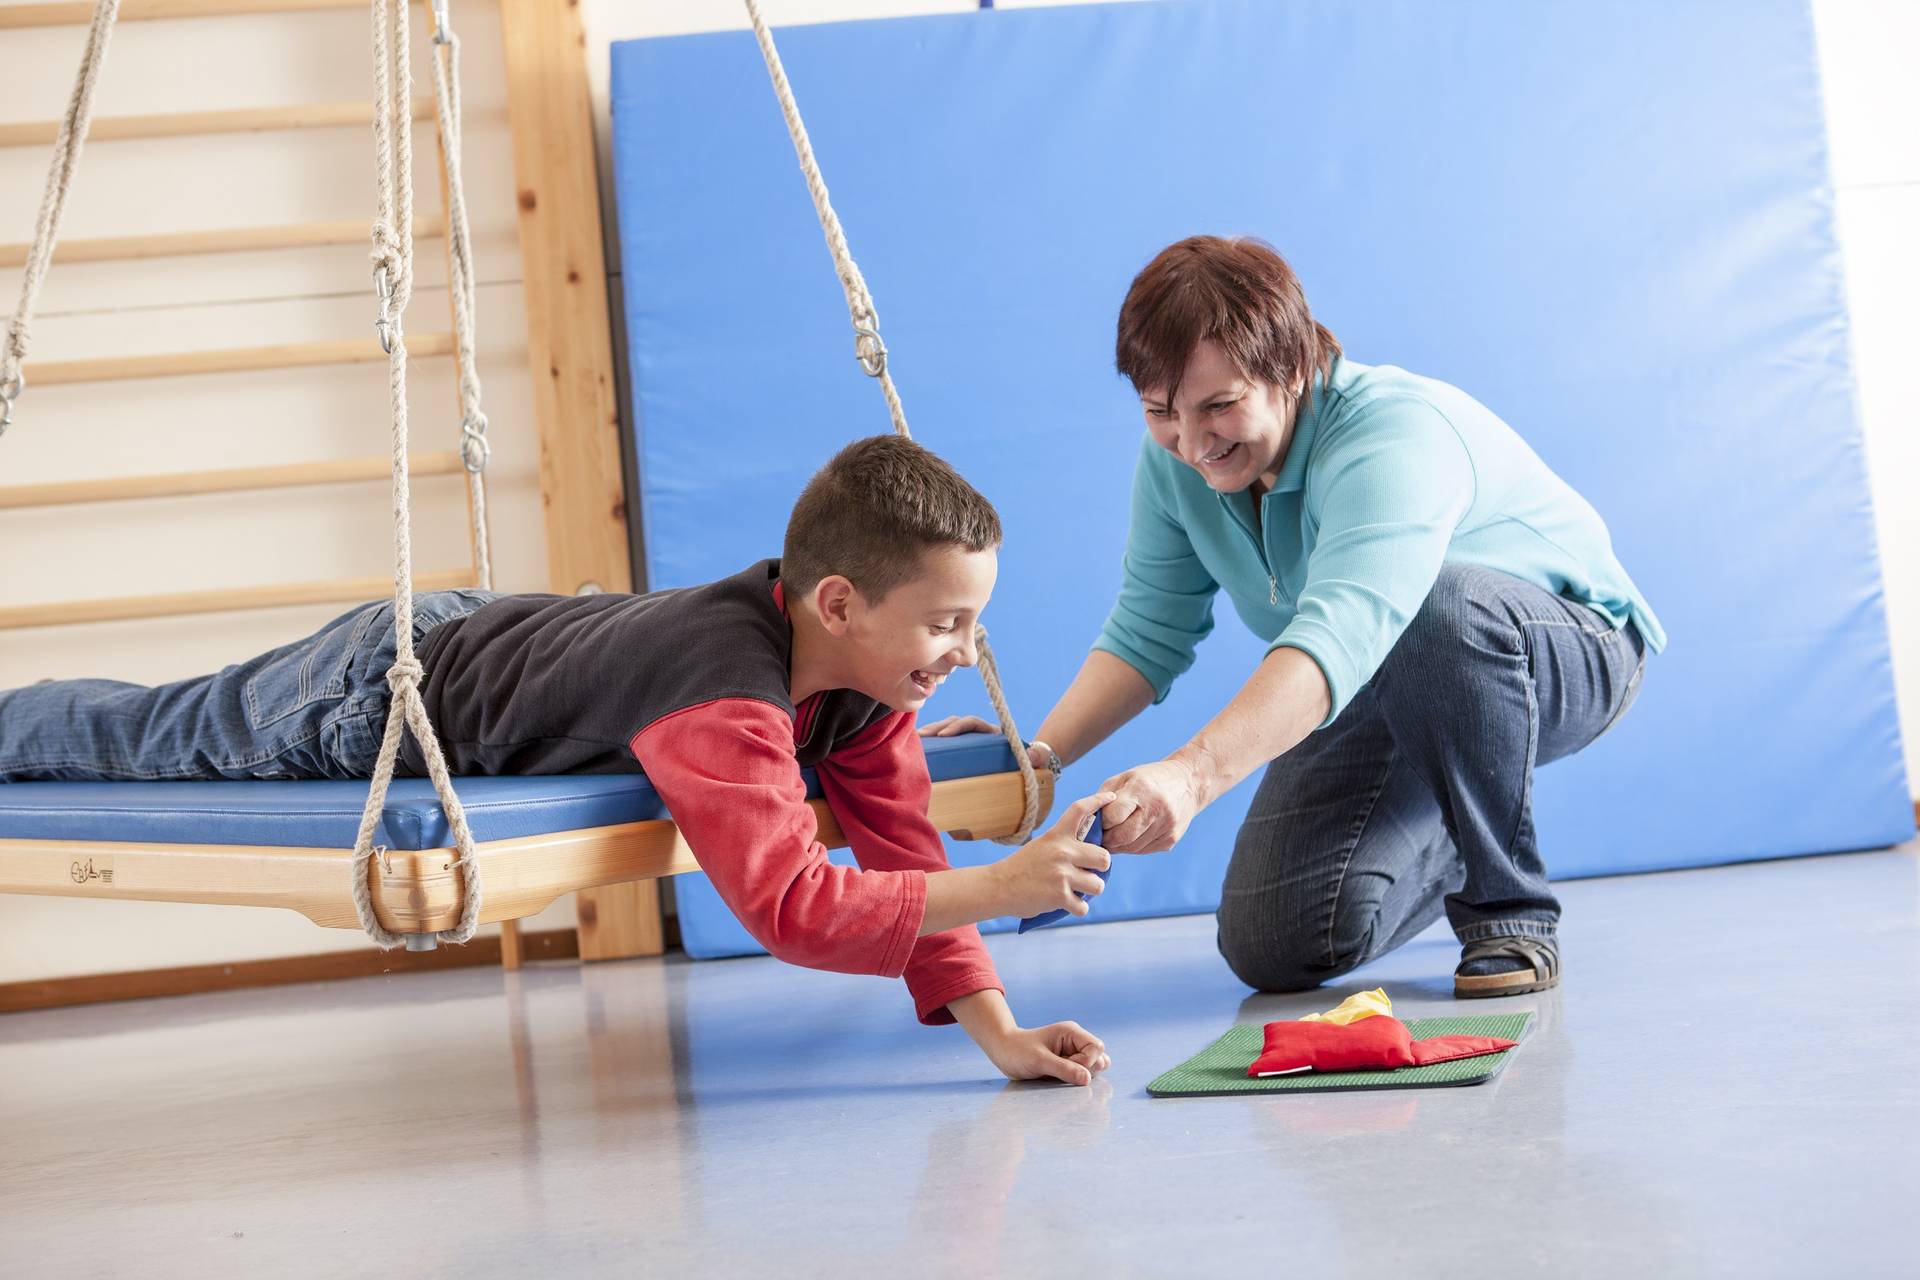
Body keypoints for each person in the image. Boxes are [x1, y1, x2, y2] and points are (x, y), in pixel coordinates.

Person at [0, 436, 1113, 1086]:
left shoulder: (866, 688)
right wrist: (1007, 882)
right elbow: (790, 902)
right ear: (839, 602)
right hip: (379, 694)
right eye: (947, 624)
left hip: (507, 630)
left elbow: (901, 843)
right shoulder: (724, 685)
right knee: (136, 738)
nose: (968, 653)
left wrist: (1000, 1035)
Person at [926, 236, 1664, 999]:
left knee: (1437, 608)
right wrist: (1036, 762)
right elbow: (1148, 634)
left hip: (1565, 647)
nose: (1193, 442)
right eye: (1160, 412)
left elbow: (1341, 631)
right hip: (1378, 676)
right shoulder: (1177, 465)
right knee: (1275, 941)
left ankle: (1509, 911)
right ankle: (1464, 809)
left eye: (1221, 405)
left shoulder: (1392, 435)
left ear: (1294, 368)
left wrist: (1188, 777)